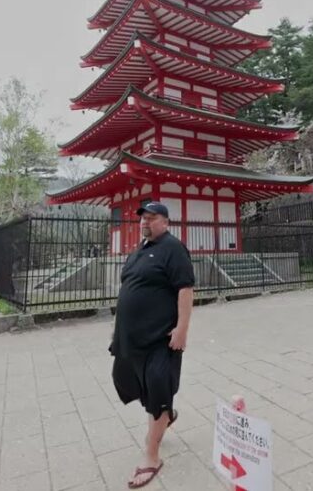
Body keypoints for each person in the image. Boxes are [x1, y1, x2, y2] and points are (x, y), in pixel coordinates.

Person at [110, 202, 195, 489]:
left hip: (160, 337)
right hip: (132, 338)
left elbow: (185, 289)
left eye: (152, 218)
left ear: (166, 222)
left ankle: (151, 455)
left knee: (158, 387)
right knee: (133, 383)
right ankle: (167, 415)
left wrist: (182, 329)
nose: (145, 222)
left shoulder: (173, 248)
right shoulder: (139, 252)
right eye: (143, 219)